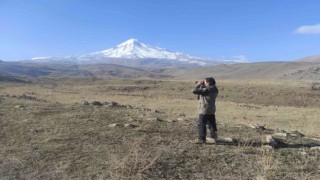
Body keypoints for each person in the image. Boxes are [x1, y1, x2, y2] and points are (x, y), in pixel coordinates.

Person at [191, 77, 219, 144]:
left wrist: (198, 84)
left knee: (201, 124)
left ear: (208, 83)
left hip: (204, 109)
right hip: (211, 109)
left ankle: (201, 139)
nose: (204, 82)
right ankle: (213, 137)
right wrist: (203, 86)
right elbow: (205, 92)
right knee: (212, 123)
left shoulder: (207, 89)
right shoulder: (215, 89)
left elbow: (194, 91)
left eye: (205, 82)